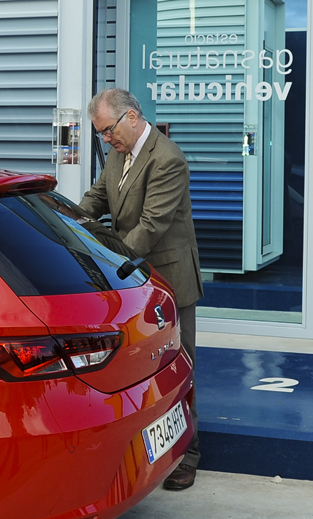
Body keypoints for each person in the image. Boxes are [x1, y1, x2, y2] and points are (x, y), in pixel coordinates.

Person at [77, 88, 204, 491]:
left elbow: (151, 225)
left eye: (108, 130)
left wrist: (111, 264)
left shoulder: (168, 159)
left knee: (179, 368)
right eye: (100, 134)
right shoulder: (119, 151)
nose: (106, 139)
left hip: (168, 280)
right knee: (144, 371)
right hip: (134, 279)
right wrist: (66, 226)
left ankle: (190, 455)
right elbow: (97, 198)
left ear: (132, 117)